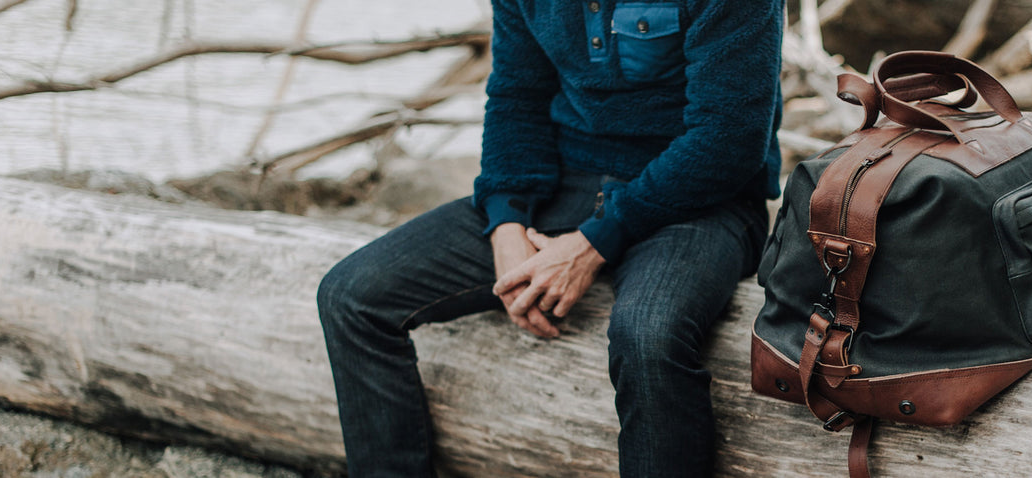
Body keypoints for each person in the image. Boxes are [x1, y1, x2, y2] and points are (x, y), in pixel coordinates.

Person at [316, 0, 784, 476]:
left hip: (702, 197)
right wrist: (506, 222)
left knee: (646, 335)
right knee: (352, 297)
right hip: (565, 181)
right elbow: (516, 96)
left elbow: (729, 139)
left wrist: (592, 245)